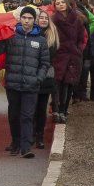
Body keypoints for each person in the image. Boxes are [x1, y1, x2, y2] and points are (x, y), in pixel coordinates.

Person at [0, 5, 52, 158]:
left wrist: (38, 78)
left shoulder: (41, 40)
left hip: (31, 85)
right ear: (20, 19)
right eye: (24, 18)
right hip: (13, 83)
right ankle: (15, 142)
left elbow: (45, 63)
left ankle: (26, 148)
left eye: (30, 18)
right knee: (14, 115)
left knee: (27, 116)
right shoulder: (11, 36)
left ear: (34, 20)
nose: (26, 21)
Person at [50, 0, 87, 124]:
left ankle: (64, 110)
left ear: (67, 4)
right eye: (57, 3)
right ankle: (56, 109)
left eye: (62, 3)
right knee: (57, 84)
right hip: (59, 55)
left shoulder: (77, 19)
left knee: (69, 84)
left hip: (73, 56)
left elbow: (82, 37)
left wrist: (78, 50)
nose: (60, 5)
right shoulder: (53, 20)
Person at [33, 8, 60, 149]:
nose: (43, 20)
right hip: (32, 74)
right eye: (41, 18)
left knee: (41, 107)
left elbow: (51, 57)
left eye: (45, 18)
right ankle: (31, 134)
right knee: (31, 107)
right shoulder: (32, 33)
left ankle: (39, 136)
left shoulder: (52, 36)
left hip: (46, 76)